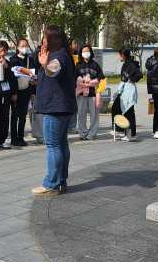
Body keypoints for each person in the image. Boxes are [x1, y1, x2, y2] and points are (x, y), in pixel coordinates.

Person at [32, 26, 76, 196]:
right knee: (61, 144)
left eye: (44, 38)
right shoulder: (64, 55)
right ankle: (60, 181)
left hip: (55, 108)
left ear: (53, 40)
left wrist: (44, 65)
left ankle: (51, 183)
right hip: (63, 106)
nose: (42, 41)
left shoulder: (59, 57)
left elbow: (53, 70)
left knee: (53, 145)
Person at [8, 37, 36, 147]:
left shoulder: (29, 59)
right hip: (16, 90)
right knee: (15, 115)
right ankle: (14, 138)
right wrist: (13, 93)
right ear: (17, 47)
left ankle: (21, 137)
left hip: (26, 90)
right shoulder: (13, 59)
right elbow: (13, 75)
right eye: (22, 46)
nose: (24, 48)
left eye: (26, 46)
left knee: (23, 115)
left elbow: (33, 73)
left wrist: (33, 82)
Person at [112, 49, 142, 141]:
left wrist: (131, 79)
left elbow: (139, 75)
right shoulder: (125, 64)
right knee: (116, 107)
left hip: (129, 90)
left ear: (124, 55)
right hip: (123, 90)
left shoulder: (131, 64)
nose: (119, 57)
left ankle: (131, 134)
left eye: (120, 55)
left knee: (129, 112)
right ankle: (120, 129)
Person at [74, 44, 103, 140]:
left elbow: (101, 78)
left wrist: (93, 82)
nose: (86, 53)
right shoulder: (78, 65)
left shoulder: (95, 65)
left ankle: (92, 134)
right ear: (81, 53)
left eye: (87, 51)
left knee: (94, 115)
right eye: (84, 51)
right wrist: (80, 81)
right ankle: (82, 133)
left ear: (90, 52)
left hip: (93, 94)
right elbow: (74, 78)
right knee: (81, 114)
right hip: (81, 94)